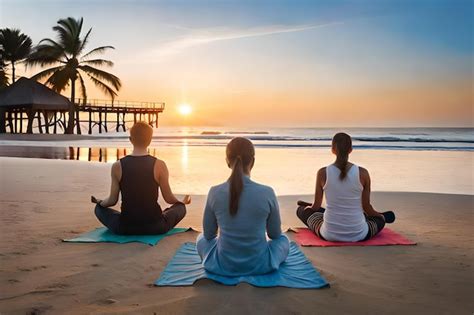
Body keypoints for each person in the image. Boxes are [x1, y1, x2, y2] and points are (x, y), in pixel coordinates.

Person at [196, 137, 289, 276]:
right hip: (260, 265)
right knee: (284, 240)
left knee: (200, 239)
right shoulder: (267, 192)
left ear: (227, 161)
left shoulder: (214, 192)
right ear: (252, 161)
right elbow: (274, 234)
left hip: (223, 264)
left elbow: (209, 235)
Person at [91, 122, 190, 235]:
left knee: (98, 209)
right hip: (156, 227)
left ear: (130, 139)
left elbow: (112, 201)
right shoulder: (160, 165)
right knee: (181, 208)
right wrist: (181, 203)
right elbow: (168, 198)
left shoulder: (117, 166)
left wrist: (100, 202)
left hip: (126, 227)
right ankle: (168, 212)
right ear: (150, 140)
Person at [296, 132, 395, 242]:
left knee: (301, 210)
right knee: (378, 220)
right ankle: (382, 217)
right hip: (359, 234)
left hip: (329, 234)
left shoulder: (322, 173)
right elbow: (367, 207)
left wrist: (308, 208)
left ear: (333, 149)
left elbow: (315, 207)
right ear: (350, 149)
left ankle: (366, 217)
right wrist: (379, 216)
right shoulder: (363, 173)